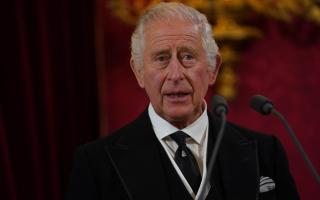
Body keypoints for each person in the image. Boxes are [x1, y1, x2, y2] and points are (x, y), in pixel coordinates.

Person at [66, 2, 299, 200]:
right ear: (138, 71)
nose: (176, 74)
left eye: (188, 56)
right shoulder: (95, 164)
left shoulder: (266, 153)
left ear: (212, 69)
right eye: (161, 58)